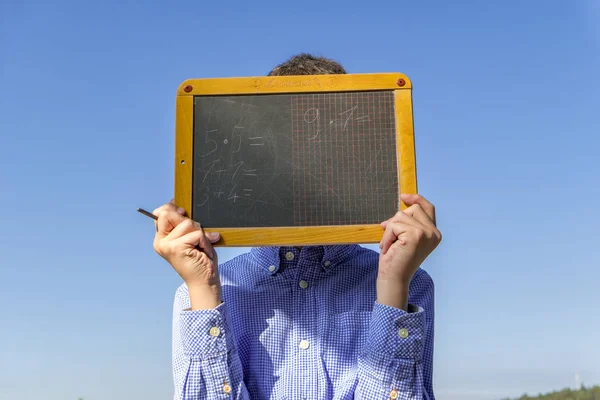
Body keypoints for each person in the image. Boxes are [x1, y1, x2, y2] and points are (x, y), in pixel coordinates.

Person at [152, 54, 442, 400]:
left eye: (328, 145)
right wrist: (204, 289)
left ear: (358, 157)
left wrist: (394, 285)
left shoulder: (410, 284)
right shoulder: (200, 291)